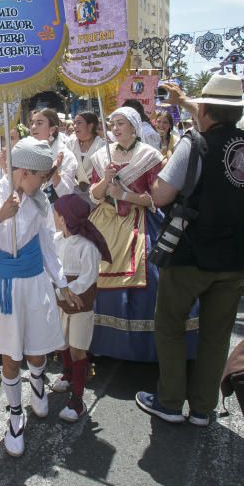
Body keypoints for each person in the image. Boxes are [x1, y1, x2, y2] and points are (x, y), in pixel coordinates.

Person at [137, 74, 244, 426]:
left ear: (206, 109)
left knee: (169, 326)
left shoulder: (194, 143)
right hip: (239, 256)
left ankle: (169, 401)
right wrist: (186, 103)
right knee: (216, 333)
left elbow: (162, 195)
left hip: (191, 254)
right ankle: (202, 407)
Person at [0, 138, 73, 457]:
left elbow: (47, 244)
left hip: (34, 283)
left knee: (37, 351)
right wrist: (0, 216)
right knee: (11, 356)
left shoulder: (40, 200)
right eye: (40, 177)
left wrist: (60, 281)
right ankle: (15, 416)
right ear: (24, 172)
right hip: (2, 287)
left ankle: (38, 379)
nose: (43, 184)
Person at [87, 106, 176, 361]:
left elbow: (157, 199)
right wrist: (105, 180)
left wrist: (124, 195)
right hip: (104, 220)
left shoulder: (150, 156)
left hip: (138, 220)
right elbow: (94, 196)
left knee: (150, 272)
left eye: (121, 123)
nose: (115, 128)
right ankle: (98, 342)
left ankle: (139, 347)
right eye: (112, 123)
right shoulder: (101, 156)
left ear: (134, 127)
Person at [50, 193, 111, 423]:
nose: (54, 218)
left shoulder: (88, 247)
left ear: (65, 218)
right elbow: (51, 268)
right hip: (61, 299)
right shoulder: (56, 240)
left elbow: (89, 276)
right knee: (62, 341)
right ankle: (67, 374)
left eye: (56, 214)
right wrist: (58, 291)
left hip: (79, 303)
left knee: (77, 348)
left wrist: (68, 291)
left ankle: (77, 400)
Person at [29, 108, 78, 199]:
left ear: (52, 129)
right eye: (32, 123)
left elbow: (67, 193)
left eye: (39, 123)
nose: (33, 127)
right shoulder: (26, 153)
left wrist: (54, 173)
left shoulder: (66, 156)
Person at [65, 111, 105, 191]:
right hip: (71, 189)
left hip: (95, 191)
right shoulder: (70, 143)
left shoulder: (102, 146)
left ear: (90, 126)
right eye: (74, 123)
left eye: (79, 123)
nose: (75, 126)